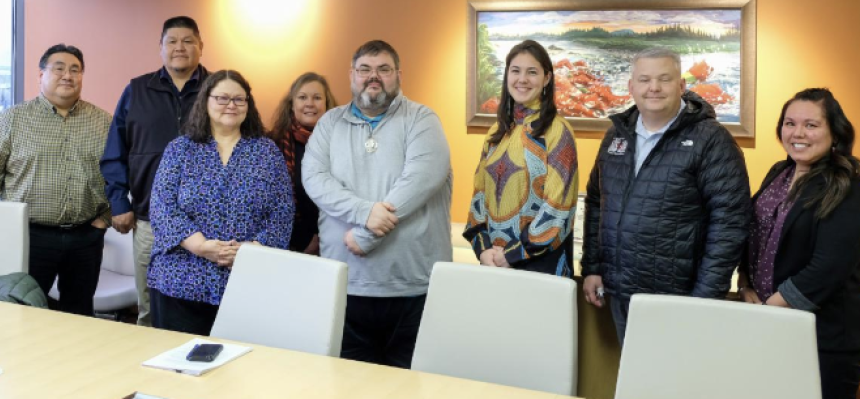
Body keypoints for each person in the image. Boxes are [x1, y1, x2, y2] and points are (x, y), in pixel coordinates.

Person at [581, 46, 751, 344]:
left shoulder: (711, 140)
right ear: (631, 86)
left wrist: (706, 296)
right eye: (645, 79)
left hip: (679, 298)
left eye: (664, 79)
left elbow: (730, 223)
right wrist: (592, 267)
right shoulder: (616, 135)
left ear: (681, 85)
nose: (654, 88)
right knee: (634, 371)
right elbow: (597, 202)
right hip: (620, 292)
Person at [302, 40, 452, 368]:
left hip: (413, 288)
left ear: (398, 75)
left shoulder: (422, 120)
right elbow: (314, 178)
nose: (374, 76)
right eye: (365, 69)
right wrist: (365, 212)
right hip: (344, 285)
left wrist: (367, 234)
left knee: (414, 387)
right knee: (347, 385)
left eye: (384, 69)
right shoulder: (329, 123)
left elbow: (419, 181)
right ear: (351, 75)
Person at [147, 70, 293, 335]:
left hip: (248, 280)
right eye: (222, 98)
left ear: (248, 105)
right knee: (180, 358)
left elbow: (282, 211)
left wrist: (251, 251)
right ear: (206, 101)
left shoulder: (267, 152)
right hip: (181, 279)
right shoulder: (180, 149)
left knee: (244, 360)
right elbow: (162, 206)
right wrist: (201, 246)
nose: (231, 105)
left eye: (239, 99)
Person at [738, 88, 860, 399]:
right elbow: (756, 234)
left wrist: (768, 310)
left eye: (811, 125)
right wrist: (745, 284)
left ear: (835, 133)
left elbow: (828, 267)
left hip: (821, 336)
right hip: (770, 323)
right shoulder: (780, 172)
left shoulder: (847, 184)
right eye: (790, 123)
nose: (798, 133)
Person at [0, 44, 112, 316]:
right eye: (59, 68)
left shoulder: (104, 123)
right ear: (41, 75)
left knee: (80, 316)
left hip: (86, 237)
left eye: (75, 70)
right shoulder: (11, 121)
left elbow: (121, 175)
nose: (68, 75)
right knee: (23, 313)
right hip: (29, 237)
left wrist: (105, 219)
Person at [100, 15, 210, 327]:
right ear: (160, 47)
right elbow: (115, 152)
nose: (180, 47)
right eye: (172, 41)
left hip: (206, 221)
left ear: (201, 46)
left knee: (204, 304)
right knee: (149, 305)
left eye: (187, 41)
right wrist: (119, 203)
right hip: (150, 219)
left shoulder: (218, 89)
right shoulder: (137, 90)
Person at [463, 40, 579, 276]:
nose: (522, 79)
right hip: (494, 265)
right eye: (515, 71)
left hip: (540, 267)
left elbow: (559, 208)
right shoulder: (496, 133)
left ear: (547, 78)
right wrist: (484, 249)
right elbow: (479, 197)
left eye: (532, 72)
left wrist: (513, 254)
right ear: (507, 75)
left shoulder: (558, 132)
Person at [268, 72, 338, 254]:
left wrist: (321, 237)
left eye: (317, 98)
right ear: (291, 104)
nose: (310, 103)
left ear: (327, 104)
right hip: (289, 246)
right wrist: (303, 241)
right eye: (302, 97)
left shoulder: (342, 143)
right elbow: (269, 201)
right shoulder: (273, 144)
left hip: (335, 242)